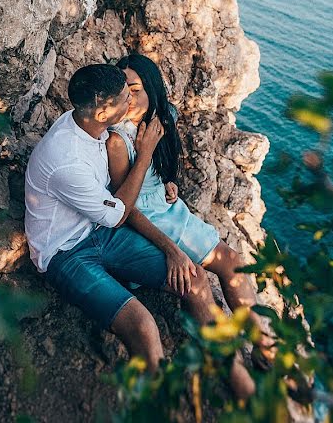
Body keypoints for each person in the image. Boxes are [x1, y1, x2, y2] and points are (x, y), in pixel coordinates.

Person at [23, 64, 255, 399]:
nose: (129, 103)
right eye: (123, 98)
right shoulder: (67, 162)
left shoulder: (89, 123)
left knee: (195, 280)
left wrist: (174, 248)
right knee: (144, 329)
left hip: (96, 229)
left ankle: (233, 373)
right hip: (64, 252)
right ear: (103, 110)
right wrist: (144, 153)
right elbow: (118, 214)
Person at [107, 53, 276, 370]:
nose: (127, 100)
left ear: (152, 91)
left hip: (169, 208)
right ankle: (231, 361)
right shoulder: (117, 141)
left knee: (232, 261)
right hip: (147, 220)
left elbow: (162, 169)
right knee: (213, 274)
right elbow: (125, 209)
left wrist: (168, 183)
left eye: (135, 89)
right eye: (122, 92)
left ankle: (263, 345)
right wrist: (170, 250)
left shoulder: (159, 120)